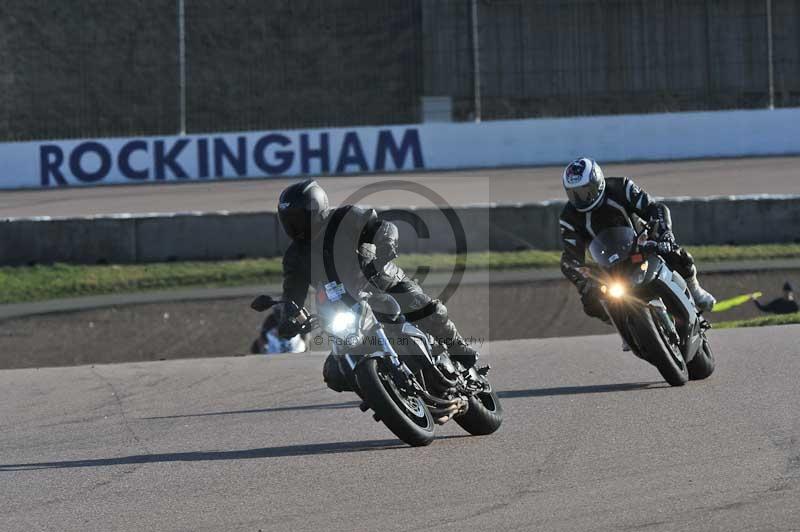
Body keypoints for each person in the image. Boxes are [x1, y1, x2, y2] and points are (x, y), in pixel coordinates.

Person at [274, 179, 480, 391]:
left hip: (382, 282)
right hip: (345, 307)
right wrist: (287, 319)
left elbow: (383, 227)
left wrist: (383, 248)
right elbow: (292, 295)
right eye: (289, 220)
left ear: (316, 209)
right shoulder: (295, 257)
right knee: (334, 374)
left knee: (428, 310)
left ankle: (458, 347)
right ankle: (381, 390)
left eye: (298, 218)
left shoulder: (344, 218)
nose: (294, 226)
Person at [558, 157, 716, 327]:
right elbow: (571, 256)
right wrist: (582, 279)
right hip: (608, 264)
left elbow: (655, 208)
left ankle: (695, 290)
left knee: (677, 254)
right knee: (590, 303)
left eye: (584, 191)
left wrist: (664, 234)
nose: (580, 198)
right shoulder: (568, 218)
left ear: (597, 181)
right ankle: (625, 326)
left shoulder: (621, 187)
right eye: (573, 194)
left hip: (641, 244)